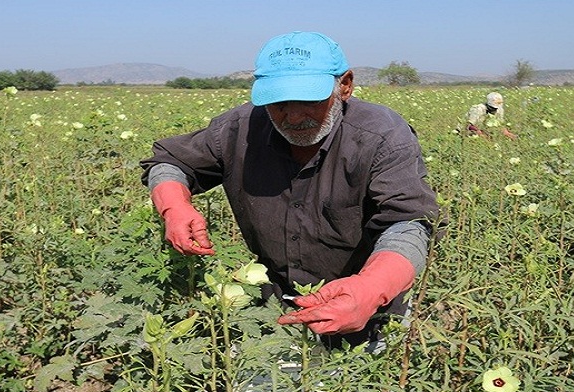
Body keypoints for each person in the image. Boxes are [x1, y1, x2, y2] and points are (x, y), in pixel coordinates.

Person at [141, 31, 441, 350]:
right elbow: (170, 162)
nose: (294, 117)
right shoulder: (240, 127)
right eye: (279, 103)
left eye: (310, 100)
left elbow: (409, 225)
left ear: (345, 86)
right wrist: (174, 206)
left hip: (366, 311)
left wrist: (371, 288)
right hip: (272, 308)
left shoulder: (381, 136)